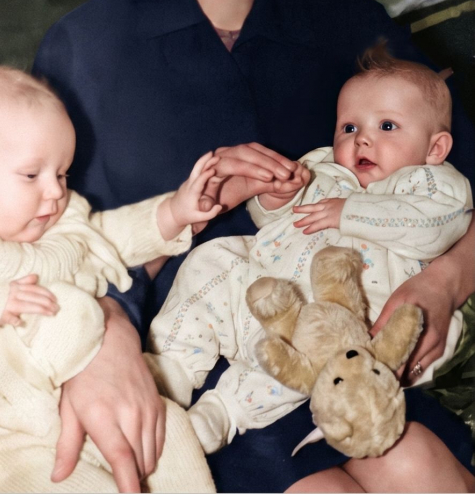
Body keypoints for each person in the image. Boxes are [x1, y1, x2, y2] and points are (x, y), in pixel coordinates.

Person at [32, 0, 475, 494]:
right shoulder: (84, 53)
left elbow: (462, 174)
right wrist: (105, 336)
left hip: (354, 368)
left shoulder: (352, 29)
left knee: (423, 470)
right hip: (203, 389)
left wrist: (444, 284)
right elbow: (55, 246)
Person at [147, 46, 473, 461]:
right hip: (267, 286)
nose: (363, 138)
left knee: (316, 360)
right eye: (349, 127)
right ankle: (172, 367)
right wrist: (275, 197)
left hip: (347, 317)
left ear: (435, 148)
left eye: (387, 125)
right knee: (213, 260)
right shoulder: (322, 166)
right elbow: (272, 220)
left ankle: (222, 413)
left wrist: (349, 212)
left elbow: (433, 228)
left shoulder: (434, 185)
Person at [0, 66, 216, 493]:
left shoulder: (64, 228)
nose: (56, 191)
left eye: (61, 174)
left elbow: (112, 235)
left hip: (101, 399)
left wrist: (174, 211)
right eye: (31, 175)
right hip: (13, 436)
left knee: (169, 430)